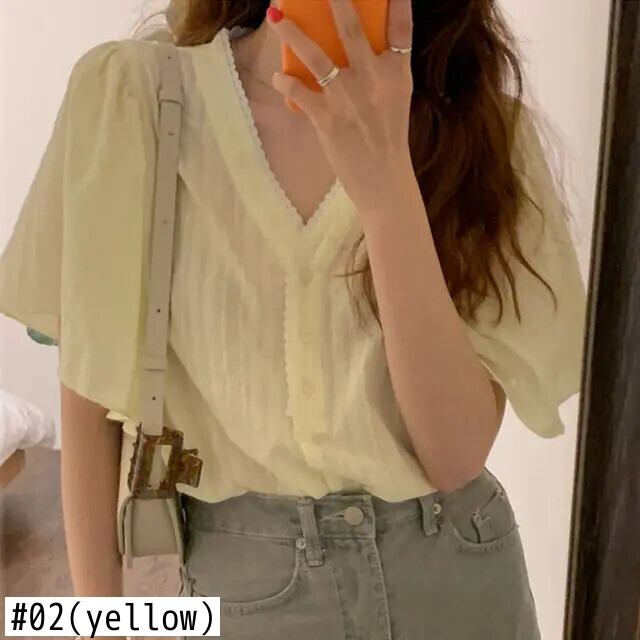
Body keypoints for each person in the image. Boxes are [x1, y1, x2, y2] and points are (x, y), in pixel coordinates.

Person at [0, 0, 587, 638]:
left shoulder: (481, 130)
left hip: (457, 579)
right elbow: (88, 402)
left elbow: (456, 457)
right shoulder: (135, 96)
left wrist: (387, 187)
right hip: (245, 592)